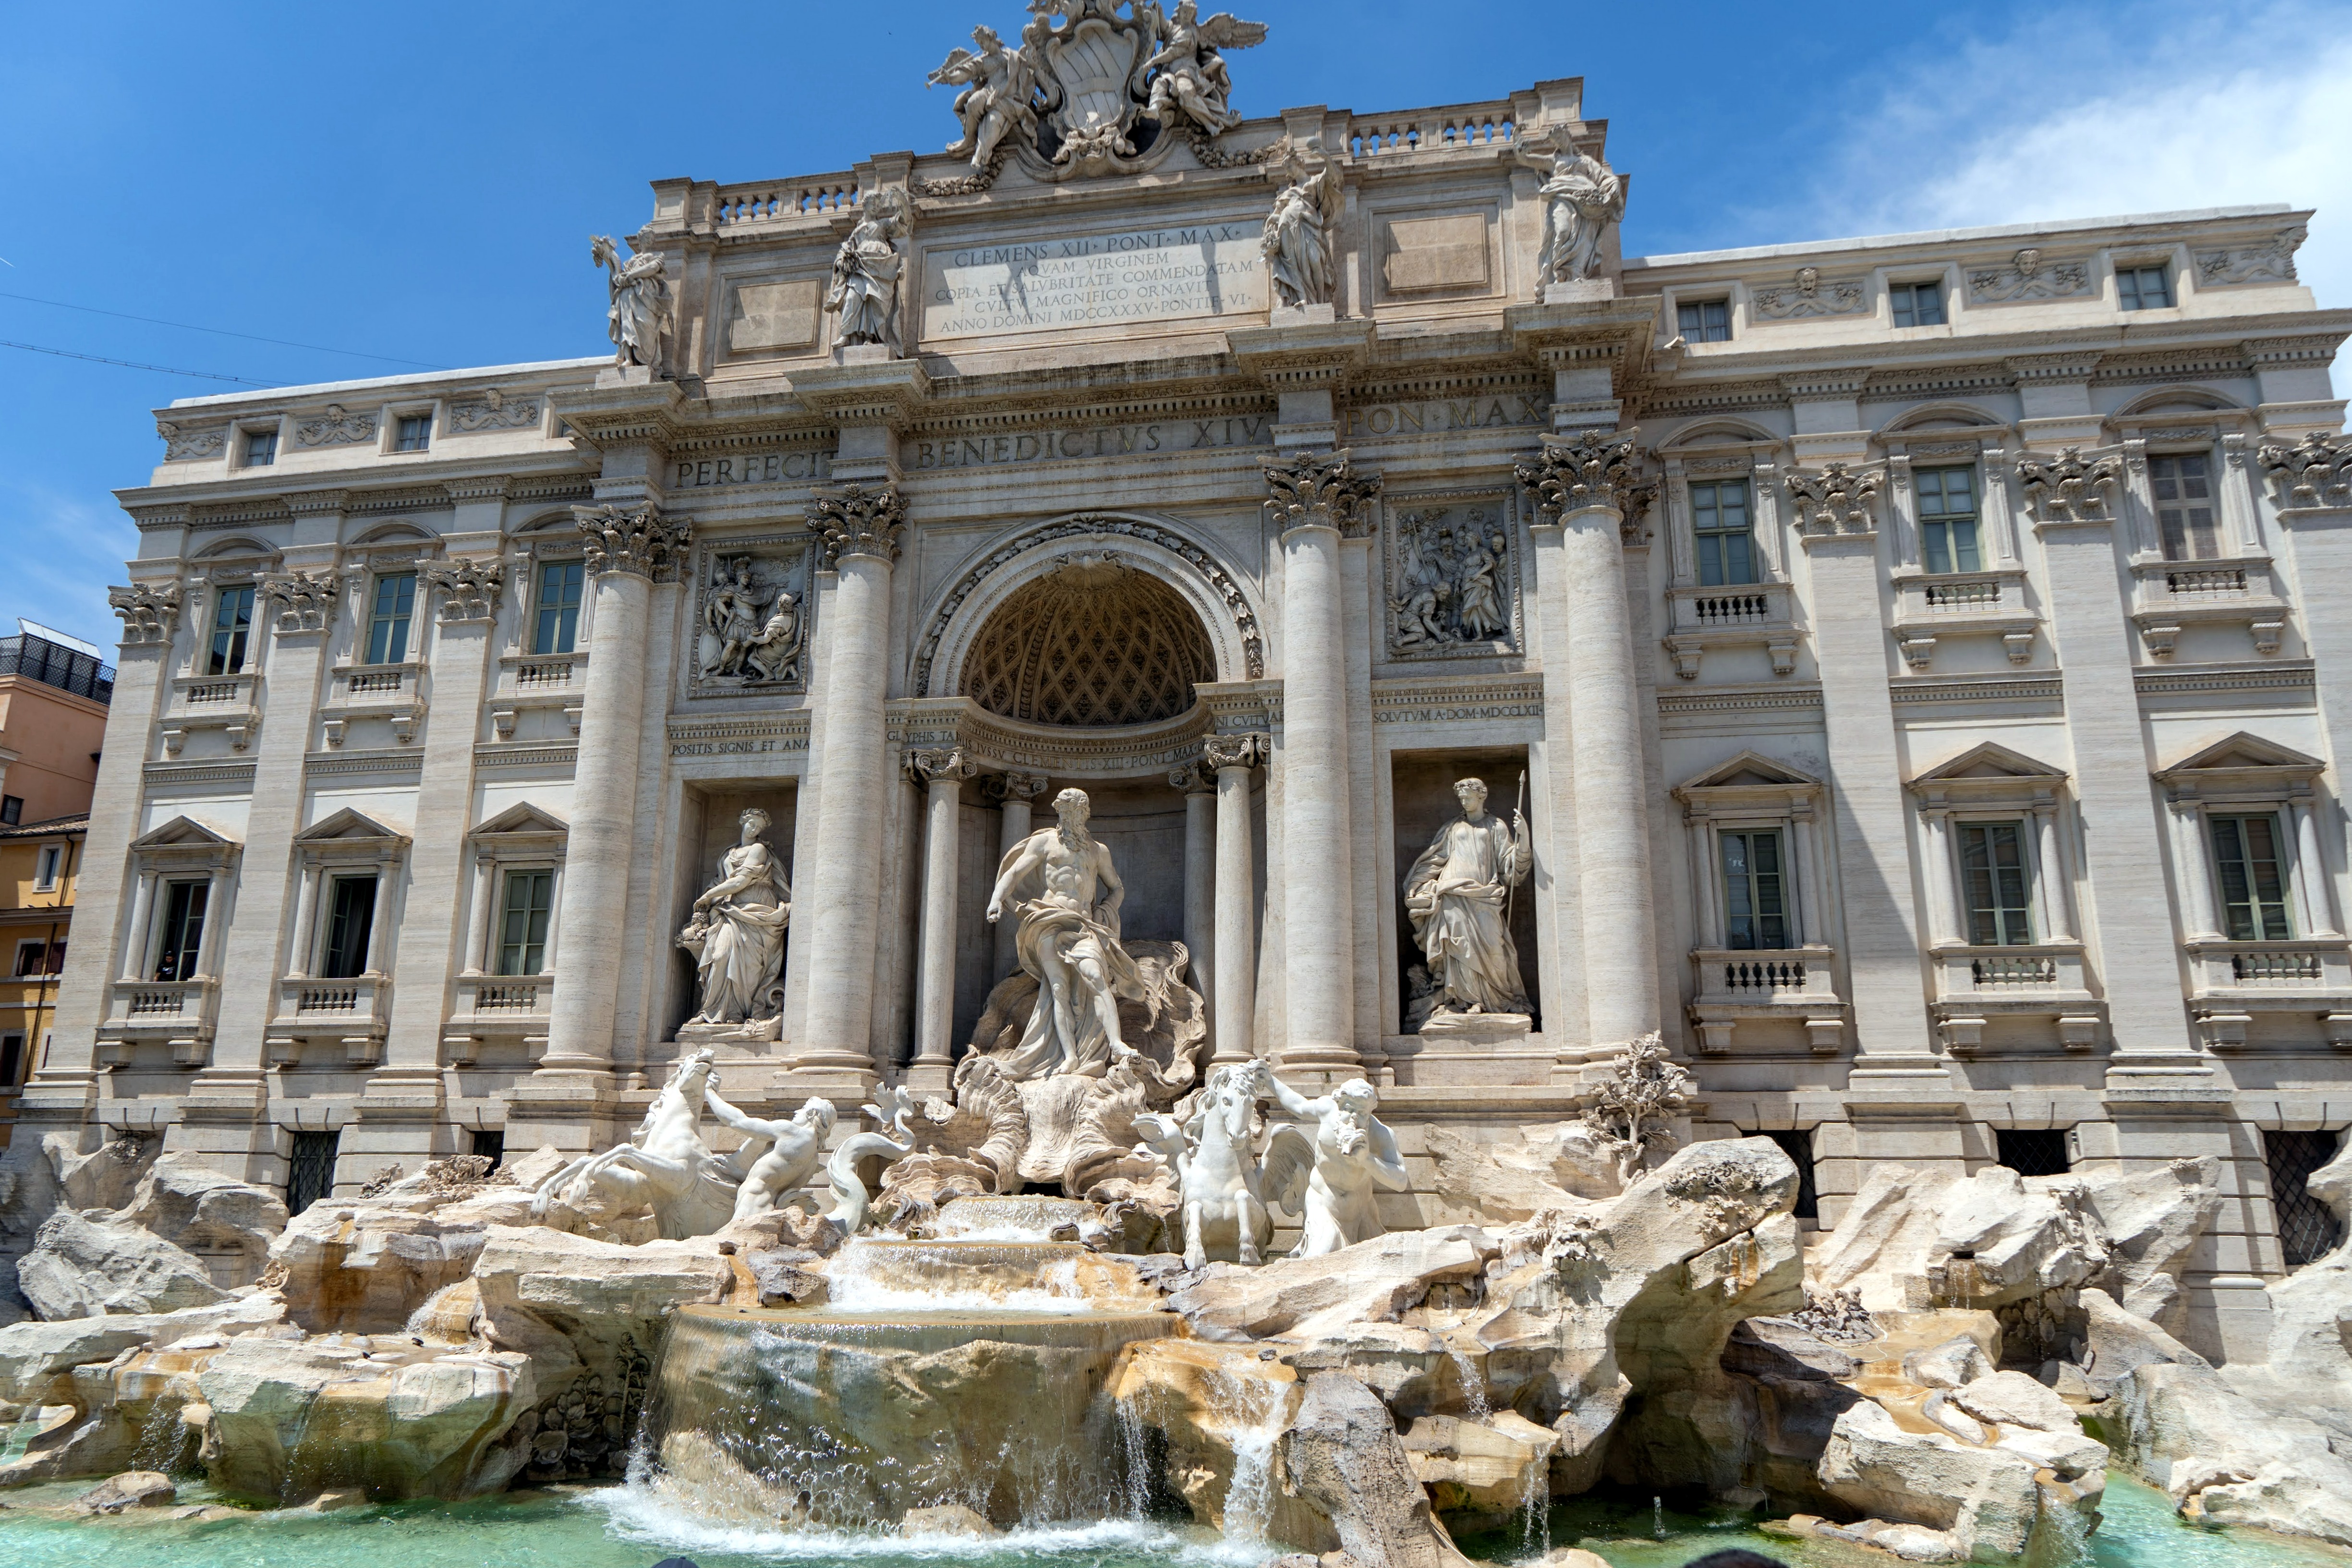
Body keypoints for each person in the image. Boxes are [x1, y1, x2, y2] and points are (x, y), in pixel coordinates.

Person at [985, 787, 1148, 1078]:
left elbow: (1117, 887)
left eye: (1075, 811)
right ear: (1058, 812)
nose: (1069, 816)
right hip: (1049, 919)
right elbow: (1013, 874)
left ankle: (1117, 1043)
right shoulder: (1044, 843)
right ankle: (1070, 1057)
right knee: (1058, 990)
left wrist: (1106, 908)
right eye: (1064, 811)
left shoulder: (1098, 850)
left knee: (1096, 976)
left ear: (1085, 814)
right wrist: (997, 900)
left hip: (1084, 923)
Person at [1402, 777, 1531, 1019]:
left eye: (1468, 797)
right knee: (1458, 947)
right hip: (1452, 894)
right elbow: (1435, 859)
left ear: (1481, 796)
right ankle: (1463, 1000)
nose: (1464, 801)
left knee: (1494, 948)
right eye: (1461, 798)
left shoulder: (1497, 827)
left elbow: (1512, 867)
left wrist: (1523, 837)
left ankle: (1494, 1000)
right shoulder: (1453, 828)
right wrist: (1416, 883)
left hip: (1484, 896)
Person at [678, 809, 790, 1025]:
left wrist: (708, 896)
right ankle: (712, 1010)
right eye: (751, 824)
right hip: (729, 909)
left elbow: (740, 882)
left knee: (748, 965)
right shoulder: (729, 853)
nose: (754, 829)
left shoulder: (759, 849)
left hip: (756, 910)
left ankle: (737, 1013)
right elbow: (722, 881)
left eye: (759, 827)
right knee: (720, 956)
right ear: (742, 822)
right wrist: (710, 899)